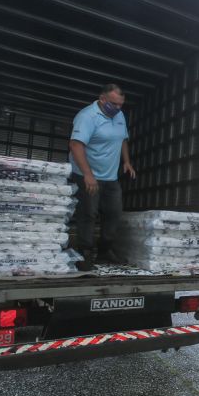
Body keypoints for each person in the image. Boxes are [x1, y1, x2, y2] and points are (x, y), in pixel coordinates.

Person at [69, 84, 135, 270]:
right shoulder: (87, 117)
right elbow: (75, 145)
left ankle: (104, 252)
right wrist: (88, 175)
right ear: (102, 99)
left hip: (110, 177)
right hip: (86, 174)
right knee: (88, 213)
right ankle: (84, 253)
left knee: (114, 213)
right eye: (114, 104)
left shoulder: (119, 115)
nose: (118, 108)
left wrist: (127, 161)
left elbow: (122, 138)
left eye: (121, 104)